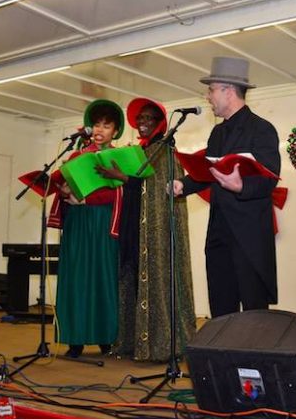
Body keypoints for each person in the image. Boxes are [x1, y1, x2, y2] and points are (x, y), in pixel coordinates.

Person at [170, 57, 280, 318]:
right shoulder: (217, 134)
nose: (208, 97)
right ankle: (223, 360)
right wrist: (182, 185)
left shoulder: (262, 129)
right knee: (221, 306)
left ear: (228, 90)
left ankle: (254, 360)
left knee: (254, 312)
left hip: (249, 237)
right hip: (219, 233)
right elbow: (208, 171)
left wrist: (241, 185)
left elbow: (269, 178)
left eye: (211, 90)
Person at [113, 98, 196, 361]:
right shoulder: (140, 151)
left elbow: (158, 189)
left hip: (154, 232)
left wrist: (124, 178)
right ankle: (133, 342)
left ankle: (160, 345)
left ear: (159, 123)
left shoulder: (165, 152)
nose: (143, 123)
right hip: (134, 225)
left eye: (149, 118)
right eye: (140, 119)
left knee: (154, 279)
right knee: (133, 277)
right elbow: (138, 187)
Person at [48, 99, 124, 358]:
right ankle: (75, 340)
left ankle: (106, 338)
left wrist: (87, 199)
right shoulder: (76, 155)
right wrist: (65, 191)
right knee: (76, 278)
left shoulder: (119, 158)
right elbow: (62, 186)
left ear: (116, 130)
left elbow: (121, 194)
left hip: (104, 222)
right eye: (97, 124)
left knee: (104, 278)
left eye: (107, 125)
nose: (100, 129)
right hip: (79, 222)